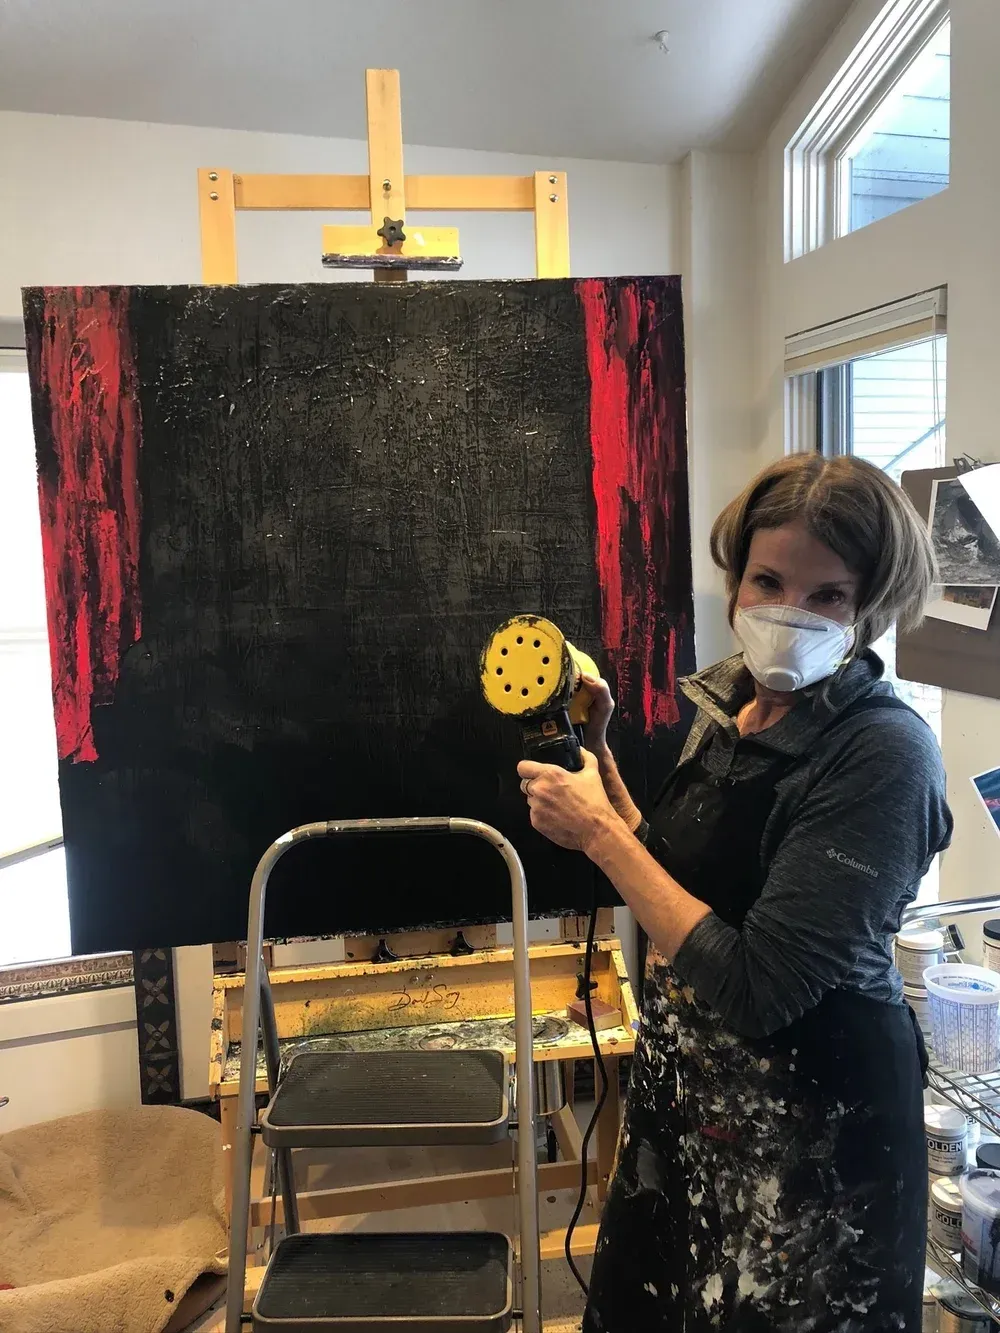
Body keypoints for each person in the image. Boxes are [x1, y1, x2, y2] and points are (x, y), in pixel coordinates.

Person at [518, 454, 952, 1333]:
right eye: (767, 579)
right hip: (693, 1108)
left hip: (813, 1143)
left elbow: (761, 984)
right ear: (734, 580)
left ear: (869, 607)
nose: (788, 611)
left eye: (827, 595)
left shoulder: (884, 756)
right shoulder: (736, 706)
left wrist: (598, 835)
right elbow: (679, 886)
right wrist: (600, 758)